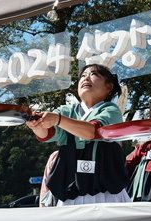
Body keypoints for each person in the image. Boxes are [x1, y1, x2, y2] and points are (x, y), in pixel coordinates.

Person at [27, 63, 130, 206]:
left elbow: (92, 132)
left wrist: (57, 120)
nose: (85, 78)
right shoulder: (66, 110)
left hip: (106, 194)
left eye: (93, 75)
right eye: (83, 76)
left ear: (109, 87)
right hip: (71, 194)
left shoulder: (111, 110)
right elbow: (47, 134)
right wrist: (37, 125)